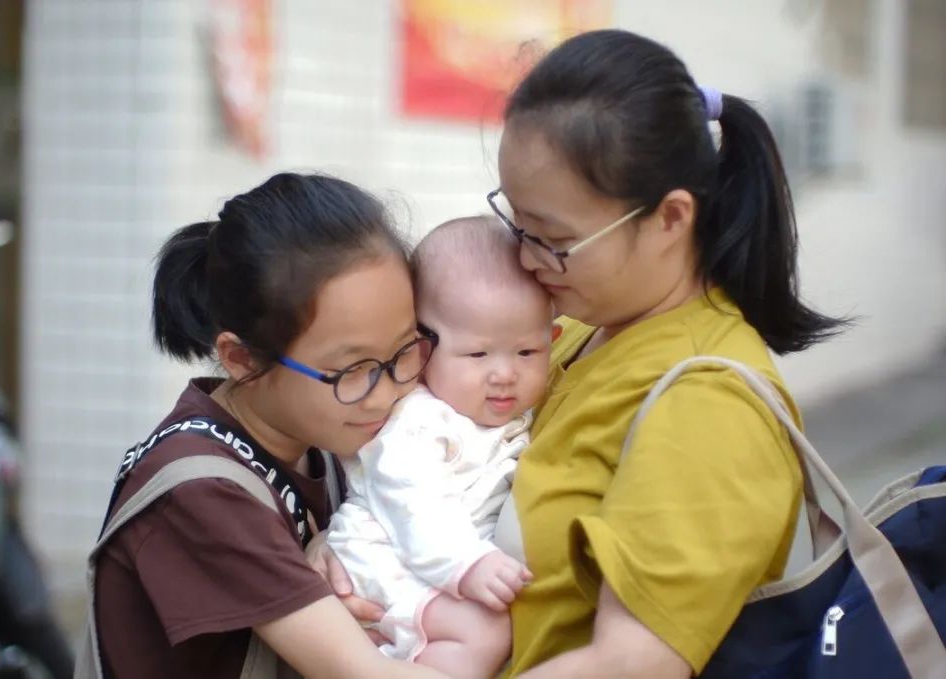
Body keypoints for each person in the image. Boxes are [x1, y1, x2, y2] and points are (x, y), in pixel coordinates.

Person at [309, 29, 848, 679]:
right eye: (517, 225)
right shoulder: (567, 332)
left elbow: (634, 663)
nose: (526, 259)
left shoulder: (707, 405)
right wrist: (349, 550)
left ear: (671, 219)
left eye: (554, 239)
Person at [89, 173, 449, 679]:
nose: (387, 392)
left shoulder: (323, 438)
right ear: (242, 359)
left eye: (403, 351)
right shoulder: (203, 493)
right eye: (351, 369)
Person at [326, 217, 551, 678]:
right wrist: (469, 563)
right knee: (483, 632)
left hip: (431, 565)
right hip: (384, 555)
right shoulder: (421, 421)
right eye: (477, 354)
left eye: (527, 352)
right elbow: (415, 501)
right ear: (421, 350)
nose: (504, 374)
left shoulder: (508, 416)